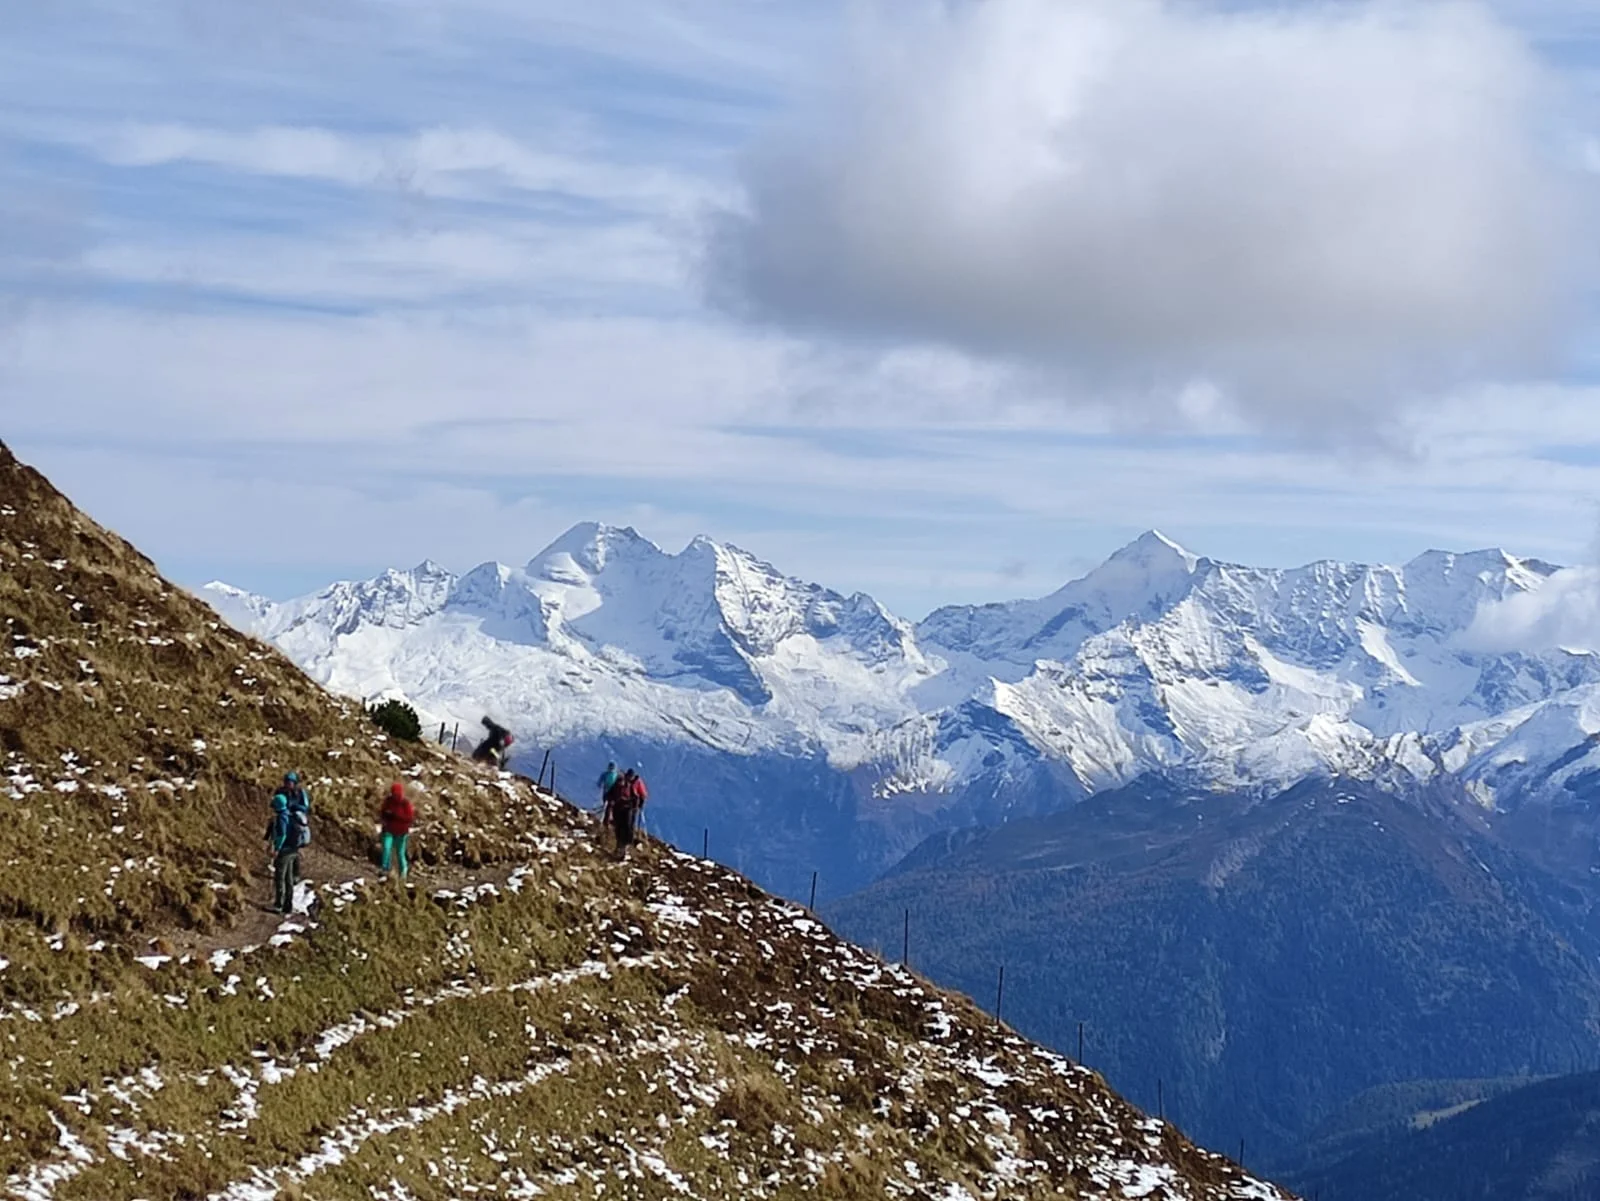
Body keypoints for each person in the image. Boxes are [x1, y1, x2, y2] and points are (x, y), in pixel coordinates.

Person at [264, 794, 302, 914]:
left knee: (280, 878)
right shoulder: (289, 814)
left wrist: (276, 849)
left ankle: (278, 905)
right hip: (293, 850)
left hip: (284, 852)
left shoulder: (281, 818)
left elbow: (282, 835)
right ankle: (287, 905)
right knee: (288, 879)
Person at [378, 781, 415, 881]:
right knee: (386, 849)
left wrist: (395, 815)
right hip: (388, 830)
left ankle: (403, 872)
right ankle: (385, 869)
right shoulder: (388, 801)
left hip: (401, 832)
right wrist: (385, 818)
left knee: (400, 853)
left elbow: (409, 818)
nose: (395, 795)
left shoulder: (405, 803)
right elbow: (382, 812)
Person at [610, 767, 648, 861]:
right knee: (626, 827)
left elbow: (611, 794)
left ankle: (622, 847)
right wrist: (640, 803)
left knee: (623, 827)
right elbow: (642, 794)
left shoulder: (626, 784)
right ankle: (623, 846)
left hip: (622, 808)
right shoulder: (634, 783)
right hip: (627, 808)